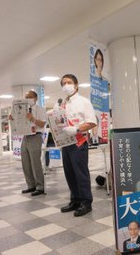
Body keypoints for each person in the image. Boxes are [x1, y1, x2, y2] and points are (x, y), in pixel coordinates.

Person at [59, 74, 97, 217]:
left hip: (79, 142)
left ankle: (86, 202)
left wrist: (76, 129)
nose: (66, 85)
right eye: (63, 83)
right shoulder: (63, 104)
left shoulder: (84, 102)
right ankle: (75, 200)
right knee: (69, 173)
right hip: (66, 143)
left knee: (81, 173)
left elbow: (92, 122)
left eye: (69, 82)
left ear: (76, 85)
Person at [10, 90, 47, 196]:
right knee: (25, 163)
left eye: (30, 96)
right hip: (25, 137)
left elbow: (42, 124)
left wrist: (33, 119)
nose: (28, 98)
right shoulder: (22, 109)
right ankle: (31, 186)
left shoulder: (40, 109)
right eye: (26, 97)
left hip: (35, 136)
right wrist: (12, 119)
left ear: (36, 98)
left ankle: (40, 187)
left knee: (35, 162)